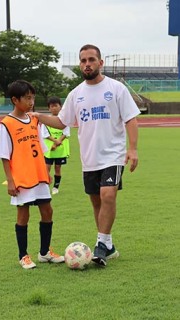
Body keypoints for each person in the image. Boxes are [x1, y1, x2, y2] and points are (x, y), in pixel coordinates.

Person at [32, 44, 140, 266]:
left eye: (91, 59)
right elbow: (62, 122)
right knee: (96, 201)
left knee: (108, 194)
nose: (87, 64)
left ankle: (101, 244)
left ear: (101, 63)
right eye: (83, 61)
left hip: (112, 155)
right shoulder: (76, 94)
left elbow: (130, 118)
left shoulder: (116, 88)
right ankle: (108, 246)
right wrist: (38, 116)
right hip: (89, 159)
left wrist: (133, 148)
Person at [0, 80, 64, 269]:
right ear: (15, 100)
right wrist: (10, 181)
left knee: (47, 211)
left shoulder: (35, 120)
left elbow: (41, 149)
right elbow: (4, 155)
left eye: (33, 97)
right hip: (22, 178)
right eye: (27, 98)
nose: (31, 101)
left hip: (39, 174)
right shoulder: (6, 124)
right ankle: (23, 255)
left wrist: (46, 172)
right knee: (23, 215)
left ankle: (44, 252)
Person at [41, 96, 70, 195]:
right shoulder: (46, 120)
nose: (54, 108)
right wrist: (54, 141)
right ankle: (45, 187)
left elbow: (66, 133)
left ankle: (56, 187)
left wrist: (58, 142)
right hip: (49, 150)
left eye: (56, 106)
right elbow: (44, 134)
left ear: (60, 107)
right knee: (46, 168)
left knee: (58, 168)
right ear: (49, 108)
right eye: (51, 106)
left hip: (60, 150)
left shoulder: (64, 120)